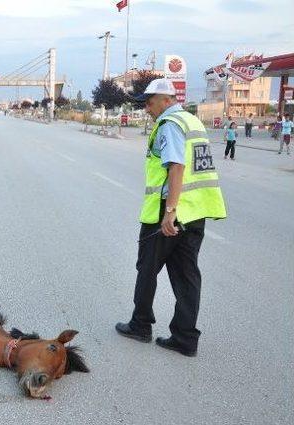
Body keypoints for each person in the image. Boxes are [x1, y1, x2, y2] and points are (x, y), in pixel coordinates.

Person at [115, 78, 227, 357]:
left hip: (168, 212)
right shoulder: (193, 122)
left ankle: (140, 326)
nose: (147, 107)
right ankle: (185, 338)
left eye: (150, 101)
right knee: (187, 276)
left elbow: (176, 167)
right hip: (195, 211)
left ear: (166, 100)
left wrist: (170, 212)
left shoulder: (170, 125)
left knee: (146, 269)